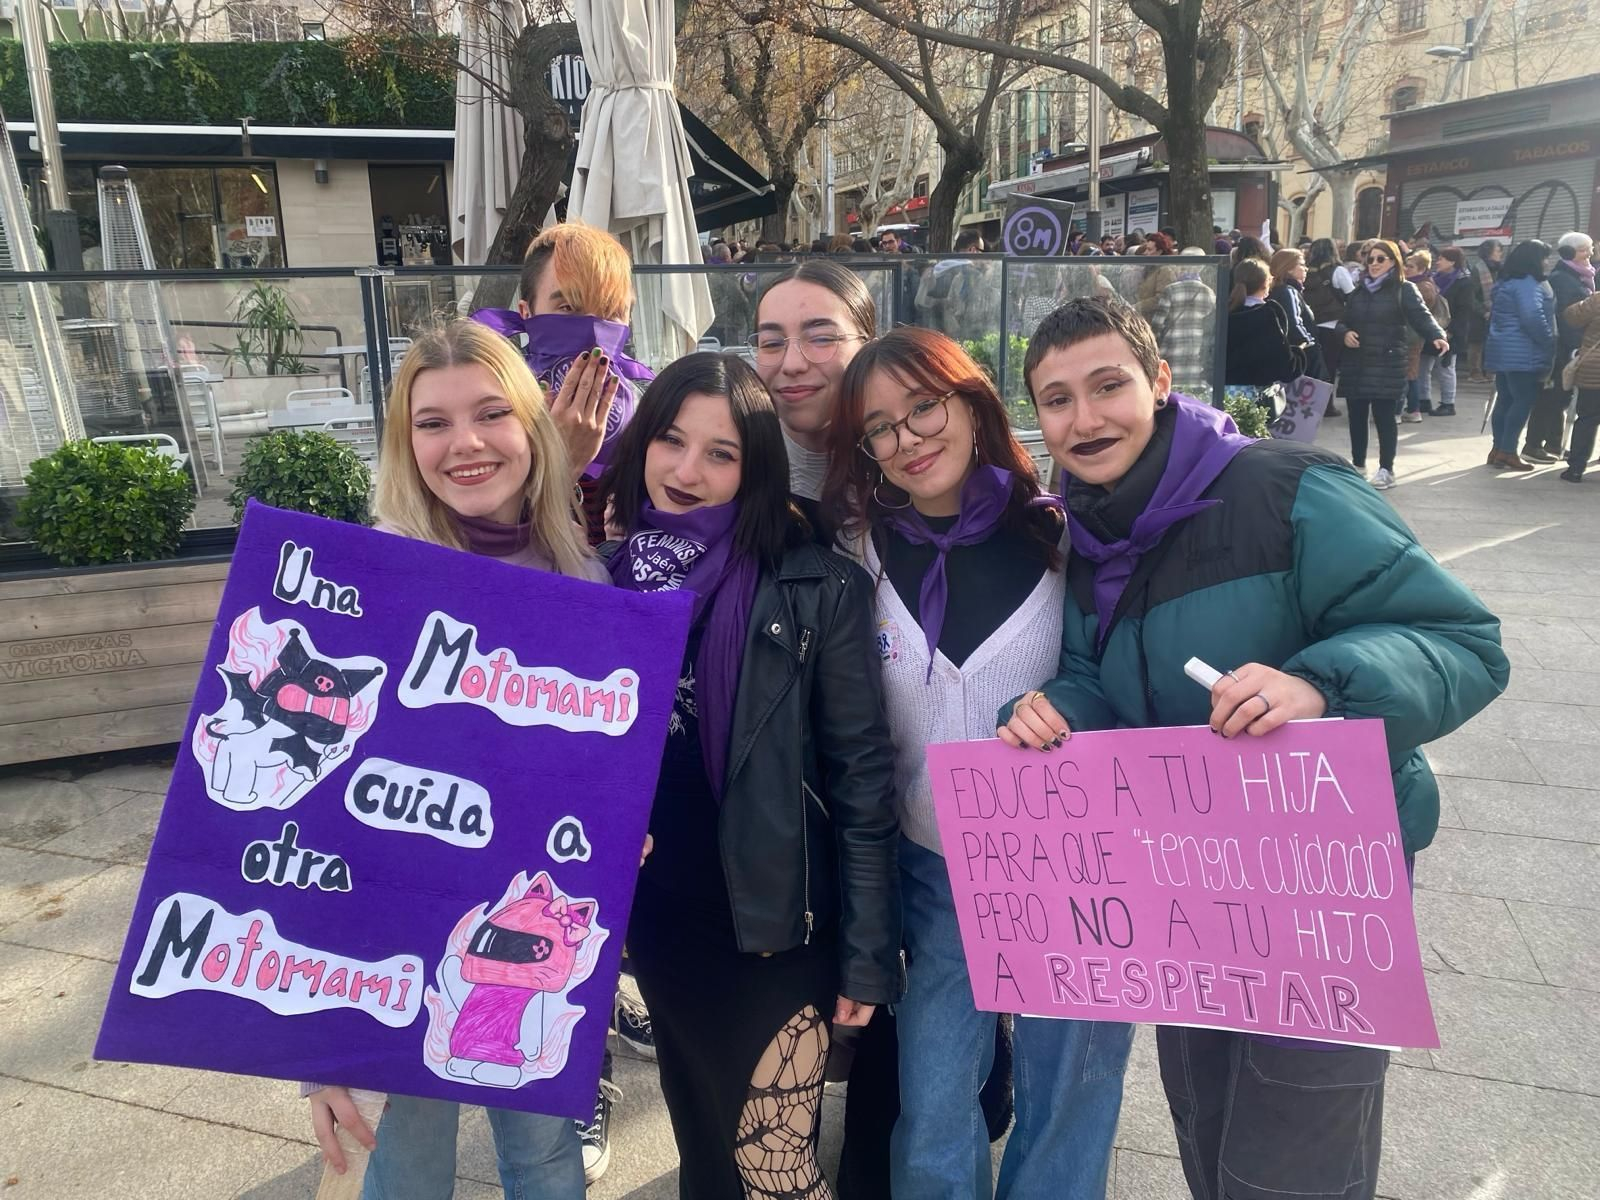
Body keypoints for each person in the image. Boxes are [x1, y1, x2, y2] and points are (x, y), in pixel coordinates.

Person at [997, 297, 1509, 1200]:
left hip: (1321, 893)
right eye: (1057, 399)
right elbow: (1090, 674)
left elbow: (1463, 643)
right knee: (1209, 1129)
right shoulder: (1090, 534)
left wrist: (1320, 684)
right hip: (1190, 892)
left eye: (1108, 386)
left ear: (1160, 384)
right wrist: (1052, 713)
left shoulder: (1287, 488)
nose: (1085, 419)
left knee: (1299, 1155)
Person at [824, 327, 1131, 1200]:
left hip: (1073, 867)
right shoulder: (860, 551)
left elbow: (1117, 672)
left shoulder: (1067, 536)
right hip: (937, 871)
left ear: (971, 402)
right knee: (932, 1101)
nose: (907, 437)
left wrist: (1071, 708)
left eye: (924, 406)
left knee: (1067, 1094)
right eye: (879, 426)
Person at [308, 321, 605, 1200]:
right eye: (431, 423)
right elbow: (310, 815)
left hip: (529, 939)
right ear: (406, 445)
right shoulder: (367, 587)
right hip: (389, 934)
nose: (465, 444)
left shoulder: (583, 578)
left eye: (490, 414)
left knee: (547, 1162)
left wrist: (624, 831)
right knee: (400, 1164)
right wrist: (314, 1049)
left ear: (531, 428)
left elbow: (593, 777)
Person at [599, 352, 901, 1200]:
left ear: (755, 468)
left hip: (775, 933)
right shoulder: (605, 581)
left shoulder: (816, 586)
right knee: (702, 1136)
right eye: (670, 440)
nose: (688, 471)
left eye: (721, 453)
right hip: (662, 921)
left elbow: (861, 783)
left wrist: (867, 959)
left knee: (775, 1168)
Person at [471, 223, 651, 544]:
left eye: (610, 312)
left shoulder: (654, 418)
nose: (593, 329)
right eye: (568, 307)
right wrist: (560, 464)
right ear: (526, 312)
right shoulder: (486, 416)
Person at [751, 260, 876, 544]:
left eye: (821, 339)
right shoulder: (737, 473)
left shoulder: (910, 462)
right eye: (771, 343)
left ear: (868, 348)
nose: (792, 364)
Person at [1335, 238, 1447, 490]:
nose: (1374, 264)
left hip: (1387, 363)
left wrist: (1437, 335)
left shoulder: (1403, 289)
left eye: (1380, 259)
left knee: (1385, 417)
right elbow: (1343, 321)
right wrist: (1344, 333)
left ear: (1393, 261)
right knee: (1357, 417)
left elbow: (1421, 316)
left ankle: (1387, 468)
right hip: (1357, 363)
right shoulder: (1358, 291)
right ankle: (1358, 464)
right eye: (1370, 259)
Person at [1483, 238, 1557, 472]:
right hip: (1524, 351)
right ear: (1535, 260)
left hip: (1503, 349)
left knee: (1505, 399)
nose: (1547, 262)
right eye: (1545, 257)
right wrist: (1548, 340)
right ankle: (1508, 451)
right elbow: (1533, 317)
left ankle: (1497, 449)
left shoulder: (1506, 282)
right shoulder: (1527, 284)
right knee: (1523, 399)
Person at [1524, 231, 1595, 461]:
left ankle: (1554, 444)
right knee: (1550, 397)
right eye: (1586, 249)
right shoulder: (1564, 279)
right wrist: (1576, 348)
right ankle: (1533, 444)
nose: (1591, 253)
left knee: (1560, 398)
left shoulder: (1580, 277)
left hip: (1571, 348)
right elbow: (1566, 319)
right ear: (1572, 253)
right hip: (1563, 349)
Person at [1223, 258, 1304, 402]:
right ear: (1265, 283)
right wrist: (1298, 353)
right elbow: (1285, 368)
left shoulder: (1223, 313)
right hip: (1256, 399)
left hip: (1220, 396)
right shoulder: (1267, 315)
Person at [1147, 251, 1217, 398]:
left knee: (1171, 394)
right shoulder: (1209, 293)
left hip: (1172, 350)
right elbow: (1211, 327)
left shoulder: (1171, 290)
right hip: (1196, 354)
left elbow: (1157, 324)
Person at [1302, 239, 1355, 412]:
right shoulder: (1338, 271)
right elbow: (1351, 295)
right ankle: (1327, 405)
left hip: (1311, 324)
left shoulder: (1306, 272)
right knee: (1330, 366)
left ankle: (1311, 403)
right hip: (1333, 324)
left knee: (1316, 365)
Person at [1430, 246, 1480, 417]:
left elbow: (1465, 310)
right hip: (1433, 329)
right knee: (1425, 366)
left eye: (1442, 259)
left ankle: (1448, 403)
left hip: (1452, 331)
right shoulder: (1435, 279)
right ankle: (1423, 400)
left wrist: (1452, 331)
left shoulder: (1464, 282)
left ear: (1452, 262)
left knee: (1446, 366)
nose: (1438, 262)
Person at [1401, 250, 1450, 423]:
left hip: (1413, 336)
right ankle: (1414, 407)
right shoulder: (1412, 284)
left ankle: (1413, 409)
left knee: (1410, 373)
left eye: (1411, 266)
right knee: (1411, 372)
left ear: (1421, 269)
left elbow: (1419, 313)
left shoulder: (1422, 287)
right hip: (1411, 334)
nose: (1406, 269)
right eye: (1405, 265)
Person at [1558, 284, 1600, 481]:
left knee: (1587, 419)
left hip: (1593, 371)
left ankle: (1575, 468)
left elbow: (1571, 316)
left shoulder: (1597, 299)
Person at [1268, 246, 1325, 381]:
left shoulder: (1276, 290)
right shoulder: (1289, 291)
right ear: (1288, 268)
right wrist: (1310, 343)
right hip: (1299, 356)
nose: (1306, 269)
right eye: (1302, 265)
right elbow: (1294, 324)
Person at [1470, 239, 1505, 381]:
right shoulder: (1478, 269)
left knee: (1494, 343)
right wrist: (1483, 311)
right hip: (1479, 314)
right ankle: (1475, 372)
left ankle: (1491, 370)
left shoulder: (1501, 269)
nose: (1500, 253)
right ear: (1488, 251)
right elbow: (1471, 296)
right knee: (1476, 343)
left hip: (1497, 313)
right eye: (1497, 250)